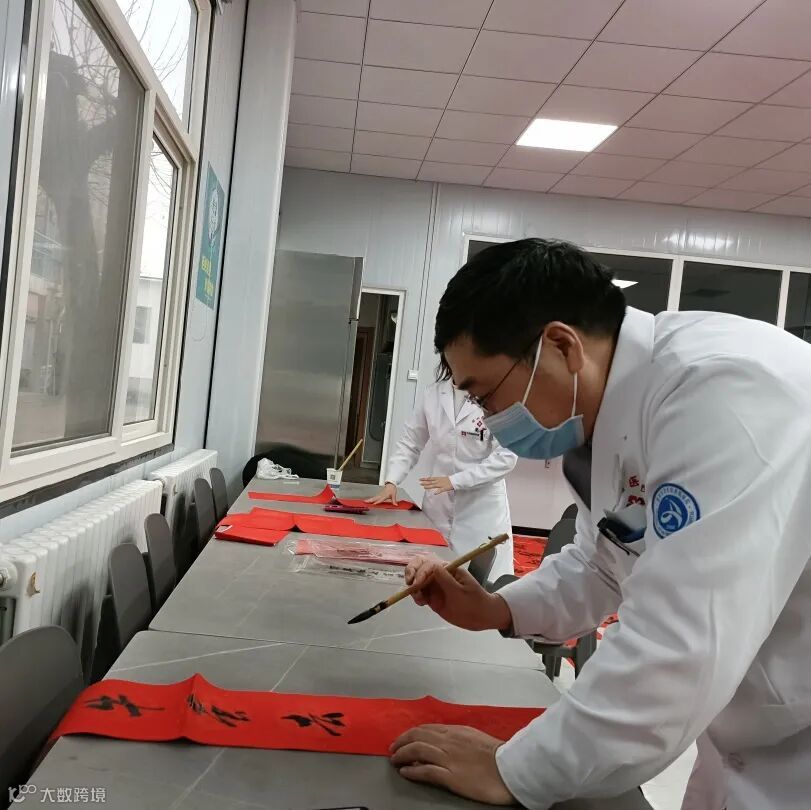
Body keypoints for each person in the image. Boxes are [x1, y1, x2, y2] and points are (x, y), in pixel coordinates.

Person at [388, 238, 811, 810]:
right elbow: (603, 563)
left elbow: (678, 645)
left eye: (486, 396)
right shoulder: (613, 416)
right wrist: (499, 609)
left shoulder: (724, 393)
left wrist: (518, 771)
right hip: (750, 738)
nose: (490, 419)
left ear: (561, 346)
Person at [366, 373, 517, 579]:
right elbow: (411, 442)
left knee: (483, 581)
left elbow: (506, 458)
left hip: (480, 508)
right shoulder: (433, 395)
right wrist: (392, 481)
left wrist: (455, 481)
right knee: (433, 576)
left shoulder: (494, 395)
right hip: (439, 503)